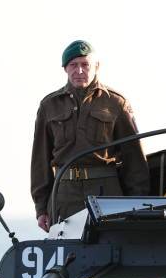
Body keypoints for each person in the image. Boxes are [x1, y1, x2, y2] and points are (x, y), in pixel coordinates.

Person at [31, 40, 149, 232]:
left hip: (106, 192)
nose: (79, 71)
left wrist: (138, 204)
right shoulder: (49, 106)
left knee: (111, 249)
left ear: (96, 66)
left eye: (85, 64)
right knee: (67, 254)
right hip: (64, 194)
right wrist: (41, 208)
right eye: (73, 65)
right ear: (65, 69)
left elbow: (134, 159)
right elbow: (40, 161)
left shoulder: (116, 103)